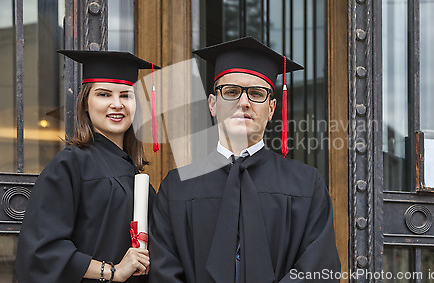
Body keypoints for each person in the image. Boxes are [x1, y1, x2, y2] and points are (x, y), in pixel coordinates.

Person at [149, 37, 341, 283]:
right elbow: (163, 272)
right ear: (212, 104)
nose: (243, 103)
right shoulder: (177, 186)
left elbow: (318, 269)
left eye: (256, 93)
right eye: (230, 92)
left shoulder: (306, 185)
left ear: (271, 108)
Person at [15, 51, 159, 283]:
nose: (116, 104)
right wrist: (112, 272)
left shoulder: (136, 177)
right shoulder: (69, 165)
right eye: (103, 94)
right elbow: (41, 251)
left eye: (126, 95)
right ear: (85, 103)